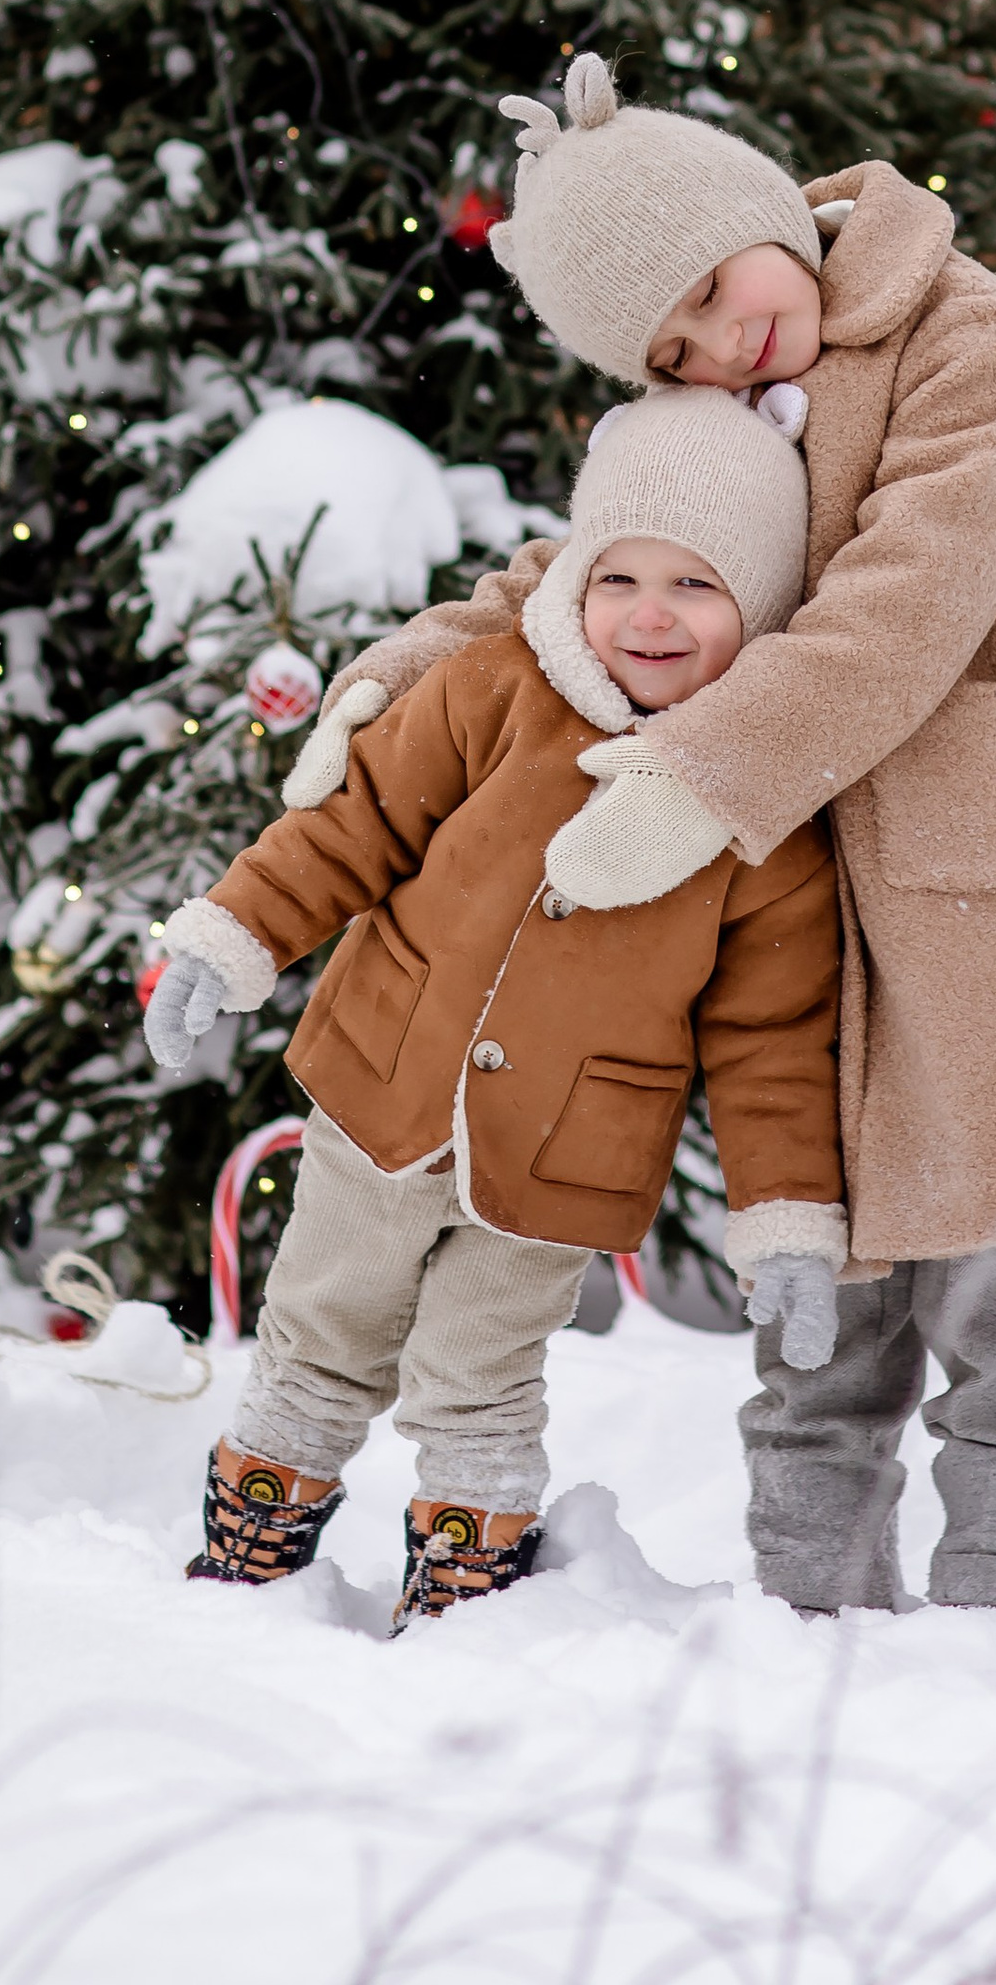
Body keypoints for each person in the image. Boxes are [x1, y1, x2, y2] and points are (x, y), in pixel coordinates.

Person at [319, 53, 996, 1624]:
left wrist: (693, 774)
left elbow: (910, 602)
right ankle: (810, 1602)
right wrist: (407, 668)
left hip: (977, 843)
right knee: (824, 1254)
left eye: (698, 291)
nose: (703, 345)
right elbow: (595, 563)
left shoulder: (971, 338)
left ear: (749, 208)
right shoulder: (719, 397)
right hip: (802, 851)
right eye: (663, 347)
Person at [146, 387, 843, 1626]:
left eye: (697, 586)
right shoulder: (492, 693)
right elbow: (345, 831)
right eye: (620, 576)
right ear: (575, 574)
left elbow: (771, 1042)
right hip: (384, 1087)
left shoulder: (760, 818)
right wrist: (237, 932)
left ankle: (467, 1571)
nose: (649, 615)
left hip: (563, 1157)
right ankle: (258, 1535)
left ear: (765, 605)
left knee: (481, 1368)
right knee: (323, 1322)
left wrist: (785, 1218)